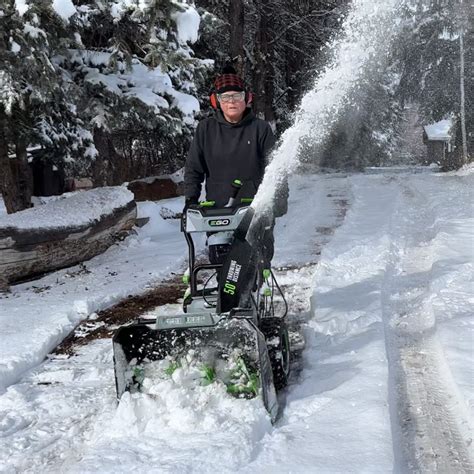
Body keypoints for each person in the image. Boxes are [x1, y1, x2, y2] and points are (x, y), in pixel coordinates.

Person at [184, 66, 283, 267]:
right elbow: (194, 168)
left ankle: (253, 293)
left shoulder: (260, 129)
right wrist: (190, 200)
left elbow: (276, 169)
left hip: (254, 210)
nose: (231, 101)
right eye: (225, 97)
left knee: (254, 265)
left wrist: (279, 201)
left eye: (236, 95)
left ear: (246, 98)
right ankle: (227, 299)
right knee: (223, 268)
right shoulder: (206, 130)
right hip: (218, 213)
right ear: (216, 101)